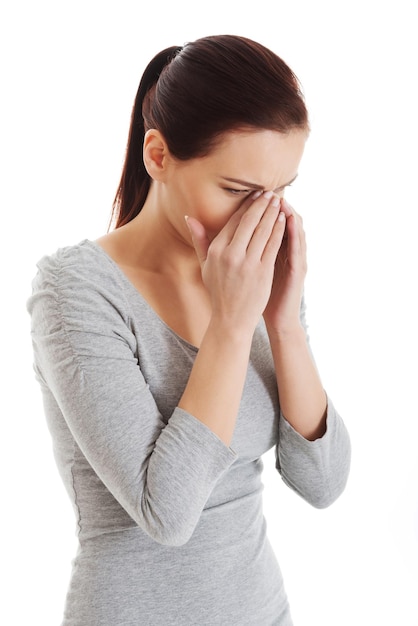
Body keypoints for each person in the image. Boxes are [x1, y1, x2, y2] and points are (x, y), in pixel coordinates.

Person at [27, 34, 351, 626]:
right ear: (158, 156)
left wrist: (282, 322)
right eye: (237, 191)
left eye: (279, 193)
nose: (261, 218)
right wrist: (231, 323)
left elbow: (322, 482)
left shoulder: (254, 277)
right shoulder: (75, 292)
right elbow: (167, 514)